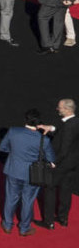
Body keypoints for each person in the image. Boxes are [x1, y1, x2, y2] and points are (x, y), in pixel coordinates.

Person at [3, 108, 55, 234]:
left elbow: (3, 147)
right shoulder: (44, 140)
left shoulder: (13, 132)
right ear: (38, 123)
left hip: (13, 170)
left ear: (25, 119)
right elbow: (51, 159)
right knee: (28, 200)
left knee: (10, 198)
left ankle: (7, 225)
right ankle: (24, 228)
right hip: (32, 175)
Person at [44, 98, 79, 229]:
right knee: (66, 191)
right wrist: (52, 128)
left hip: (61, 164)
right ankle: (63, 218)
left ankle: (48, 221)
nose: (57, 109)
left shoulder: (69, 126)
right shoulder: (75, 122)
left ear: (67, 109)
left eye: (59, 107)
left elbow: (63, 149)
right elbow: (63, 132)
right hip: (72, 164)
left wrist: (54, 162)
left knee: (50, 188)